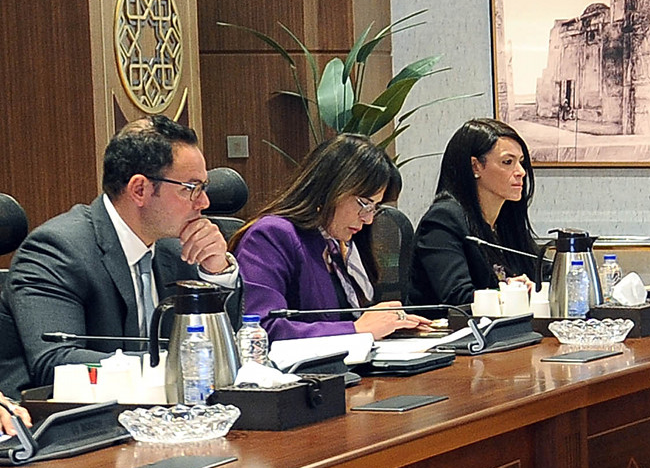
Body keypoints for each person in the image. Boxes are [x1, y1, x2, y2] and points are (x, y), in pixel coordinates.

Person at [0, 116, 239, 395]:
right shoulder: (57, 250)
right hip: (69, 416)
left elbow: (228, 354)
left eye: (203, 188)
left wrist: (216, 272)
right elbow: (55, 361)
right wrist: (174, 364)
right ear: (140, 190)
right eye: (191, 188)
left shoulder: (178, 251)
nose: (204, 202)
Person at [230, 134, 433, 341]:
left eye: (375, 207)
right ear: (330, 188)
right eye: (364, 203)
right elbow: (261, 329)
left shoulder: (339, 243)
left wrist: (391, 326)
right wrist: (356, 330)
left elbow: (349, 321)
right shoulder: (271, 235)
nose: (368, 219)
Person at [410, 118, 546, 305]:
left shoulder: (506, 220)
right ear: (475, 166)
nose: (521, 172)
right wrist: (509, 292)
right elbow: (458, 297)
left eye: (521, 162)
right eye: (508, 162)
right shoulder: (443, 220)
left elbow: (542, 271)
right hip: (449, 323)